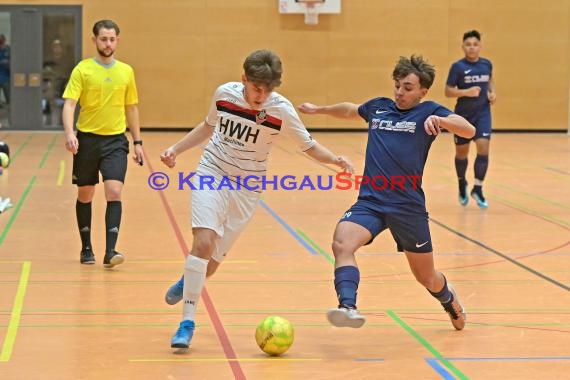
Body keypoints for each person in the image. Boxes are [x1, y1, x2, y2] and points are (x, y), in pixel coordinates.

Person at [160, 49, 354, 349]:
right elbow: (208, 126)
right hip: (212, 171)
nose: (261, 95)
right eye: (256, 88)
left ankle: (189, 281)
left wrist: (335, 160)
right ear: (243, 79)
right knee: (203, 241)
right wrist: (176, 149)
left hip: (247, 188)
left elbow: (308, 145)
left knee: (211, 263)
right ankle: (186, 323)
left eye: (268, 89)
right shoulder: (224, 94)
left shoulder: (281, 110)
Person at [297, 55, 475, 331]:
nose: (400, 93)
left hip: (407, 207)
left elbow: (469, 129)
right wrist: (319, 109)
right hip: (371, 200)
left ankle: (448, 299)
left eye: (407, 87)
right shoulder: (379, 107)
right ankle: (348, 307)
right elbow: (349, 110)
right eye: (397, 86)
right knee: (342, 244)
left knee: (426, 277)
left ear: (422, 91)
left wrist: (442, 121)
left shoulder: (430, 110)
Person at [62, 20, 143, 268]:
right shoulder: (82, 70)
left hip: (116, 141)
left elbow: (132, 107)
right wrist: (69, 133)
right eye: (103, 39)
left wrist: (137, 142)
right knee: (86, 194)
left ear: (117, 40)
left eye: (112, 39)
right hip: (86, 140)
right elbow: (69, 104)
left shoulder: (126, 71)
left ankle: (110, 251)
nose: (108, 44)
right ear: (94, 40)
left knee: (114, 191)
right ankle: (86, 248)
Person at [445, 30, 496, 208]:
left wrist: (492, 92)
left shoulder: (487, 64)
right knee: (462, 153)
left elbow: (490, 81)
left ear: (480, 46)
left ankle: (478, 188)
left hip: (482, 114)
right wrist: (466, 92)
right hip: (463, 116)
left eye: (475, 44)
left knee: (483, 147)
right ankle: (461, 183)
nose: (472, 47)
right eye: (468, 44)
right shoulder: (458, 67)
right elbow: (448, 91)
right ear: (463, 47)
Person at [0, 34, 10, 106]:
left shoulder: (8, 49)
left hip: (6, 76)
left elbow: (13, 60)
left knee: (8, 96)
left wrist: (8, 62)